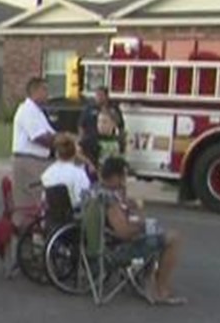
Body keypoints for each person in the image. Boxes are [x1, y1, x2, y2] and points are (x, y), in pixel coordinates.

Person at [97, 157, 185, 305]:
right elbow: (123, 232)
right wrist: (142, 225)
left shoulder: (95, 190)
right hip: (116, 252)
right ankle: (160, 290)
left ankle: (147, 280)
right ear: (115, 176)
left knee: (158, 231)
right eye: (123, 176)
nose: (125, 180)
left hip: (101, 244)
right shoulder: (109, 199)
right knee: (174, 238)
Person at [11, 77, 57, 224]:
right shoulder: (27, 110)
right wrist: (61, 142)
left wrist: (60, 138)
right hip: (28, 161)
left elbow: (51, 134)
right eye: (45, 89)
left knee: (39, 202)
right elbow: (39, 137)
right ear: (35, 91)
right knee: (28, 205)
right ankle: (25, 241)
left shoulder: (38, 112)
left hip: (39, 161)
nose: (47, 93)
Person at [79, 85, 126, 169]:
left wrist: (121, 140)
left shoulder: (114, 109)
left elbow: (121, 126)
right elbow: (81, 125)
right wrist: (89, 164)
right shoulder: (89, 108)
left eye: (101, 95)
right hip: (92, 139)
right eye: (97, 95)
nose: (98, 97)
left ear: (106, 96)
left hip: (108, 139)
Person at [41, 133, 92, 208]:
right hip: (73, 216)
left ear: (56, 153)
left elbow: (44, 200)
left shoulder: (47, 173)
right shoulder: (78, 174)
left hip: (51, 217)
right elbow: (84, 200)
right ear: (75, 153)